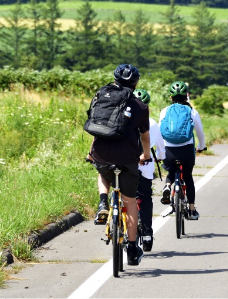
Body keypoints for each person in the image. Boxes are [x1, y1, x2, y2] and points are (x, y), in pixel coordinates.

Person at [87, 64, 151, 266]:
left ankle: (103, 202)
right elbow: (145, 136)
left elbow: (96, 125)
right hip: (127, 159)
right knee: (130, 201)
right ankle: (132, 248)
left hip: (102, 154)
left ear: (114, 80)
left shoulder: (100, 96)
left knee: (102, 171)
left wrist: (91, 153)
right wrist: (146, 155)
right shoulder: (140, 106)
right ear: (136, 83)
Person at [160, 81, 206, 220]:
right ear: (186, 96)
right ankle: (191, 210)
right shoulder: (192, 111)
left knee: (171, 170)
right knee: (187, 177)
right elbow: (200, 132)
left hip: (169, 150)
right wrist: (201, 146)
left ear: (171, 97)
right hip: (186, 150)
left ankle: (168, 185)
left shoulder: (164, 111)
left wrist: (161, 150)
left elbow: (161, 133)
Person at [133, 88, 166, 252]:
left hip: (127, 163)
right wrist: (160, 156)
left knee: (126, 196)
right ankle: (147, 235)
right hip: (145, 166)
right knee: (145, 198)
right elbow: (161, 148)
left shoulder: (125, 120)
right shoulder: (152, 123)